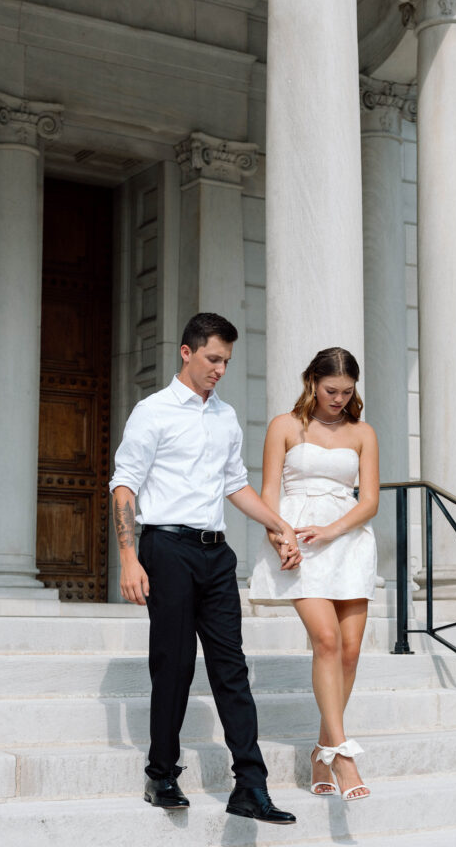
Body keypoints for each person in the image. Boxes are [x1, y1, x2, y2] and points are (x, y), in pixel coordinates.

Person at [110, 312, 299, 824]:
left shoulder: (226, 416)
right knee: (173, 664)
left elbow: (235, 485)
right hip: (166, 549)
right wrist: (129, 557)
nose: (220, 369)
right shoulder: (152, 412)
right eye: (214, 359)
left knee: (231, 667)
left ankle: (250, 785)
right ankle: (162, 774)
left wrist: (279, 526)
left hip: (216, 554)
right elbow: (124, 484)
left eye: (227, 362)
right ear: (187, 352)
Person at [249, 347, 379, 801]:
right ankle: (343, 756)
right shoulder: (284, 426)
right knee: (325, 640)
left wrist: (332, 530)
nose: (339, 399)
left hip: (348, 540)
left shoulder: (363, 433)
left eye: (347, 392)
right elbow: (267, 496)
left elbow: (370, 501)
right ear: (312, 382)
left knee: (350, 651)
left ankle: (321, 748)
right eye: (331, 390)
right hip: (300, 542)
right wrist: (280, 538)